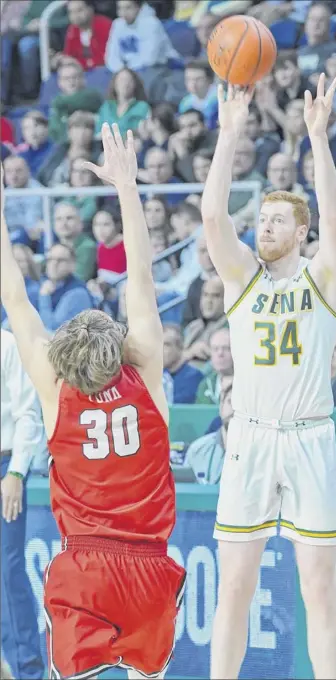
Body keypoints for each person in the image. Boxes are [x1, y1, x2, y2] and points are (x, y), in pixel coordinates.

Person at [0, 123, 185, 680]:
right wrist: (127, 187)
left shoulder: (55, 392)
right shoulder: (147, 371)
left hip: (85, 565)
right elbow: (142, 277)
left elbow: (14, 294)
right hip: (151, 565)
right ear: (117, 343)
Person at [201, 75, 336, 680]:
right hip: (253, 438)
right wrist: (229, 133)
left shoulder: (322, 280)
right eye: (260, 219)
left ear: (300, 233)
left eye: (275, 221)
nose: (262, 227)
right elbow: (213, 215)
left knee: (318, 585)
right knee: (235, 583)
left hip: (311, 437)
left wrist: (317, 138)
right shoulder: (242, 281)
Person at [1, 329, 45, 680]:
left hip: (4, 465)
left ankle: (27, 671)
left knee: (6, 569)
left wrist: (16, 471)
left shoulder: (8, 344)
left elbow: (28, 413)